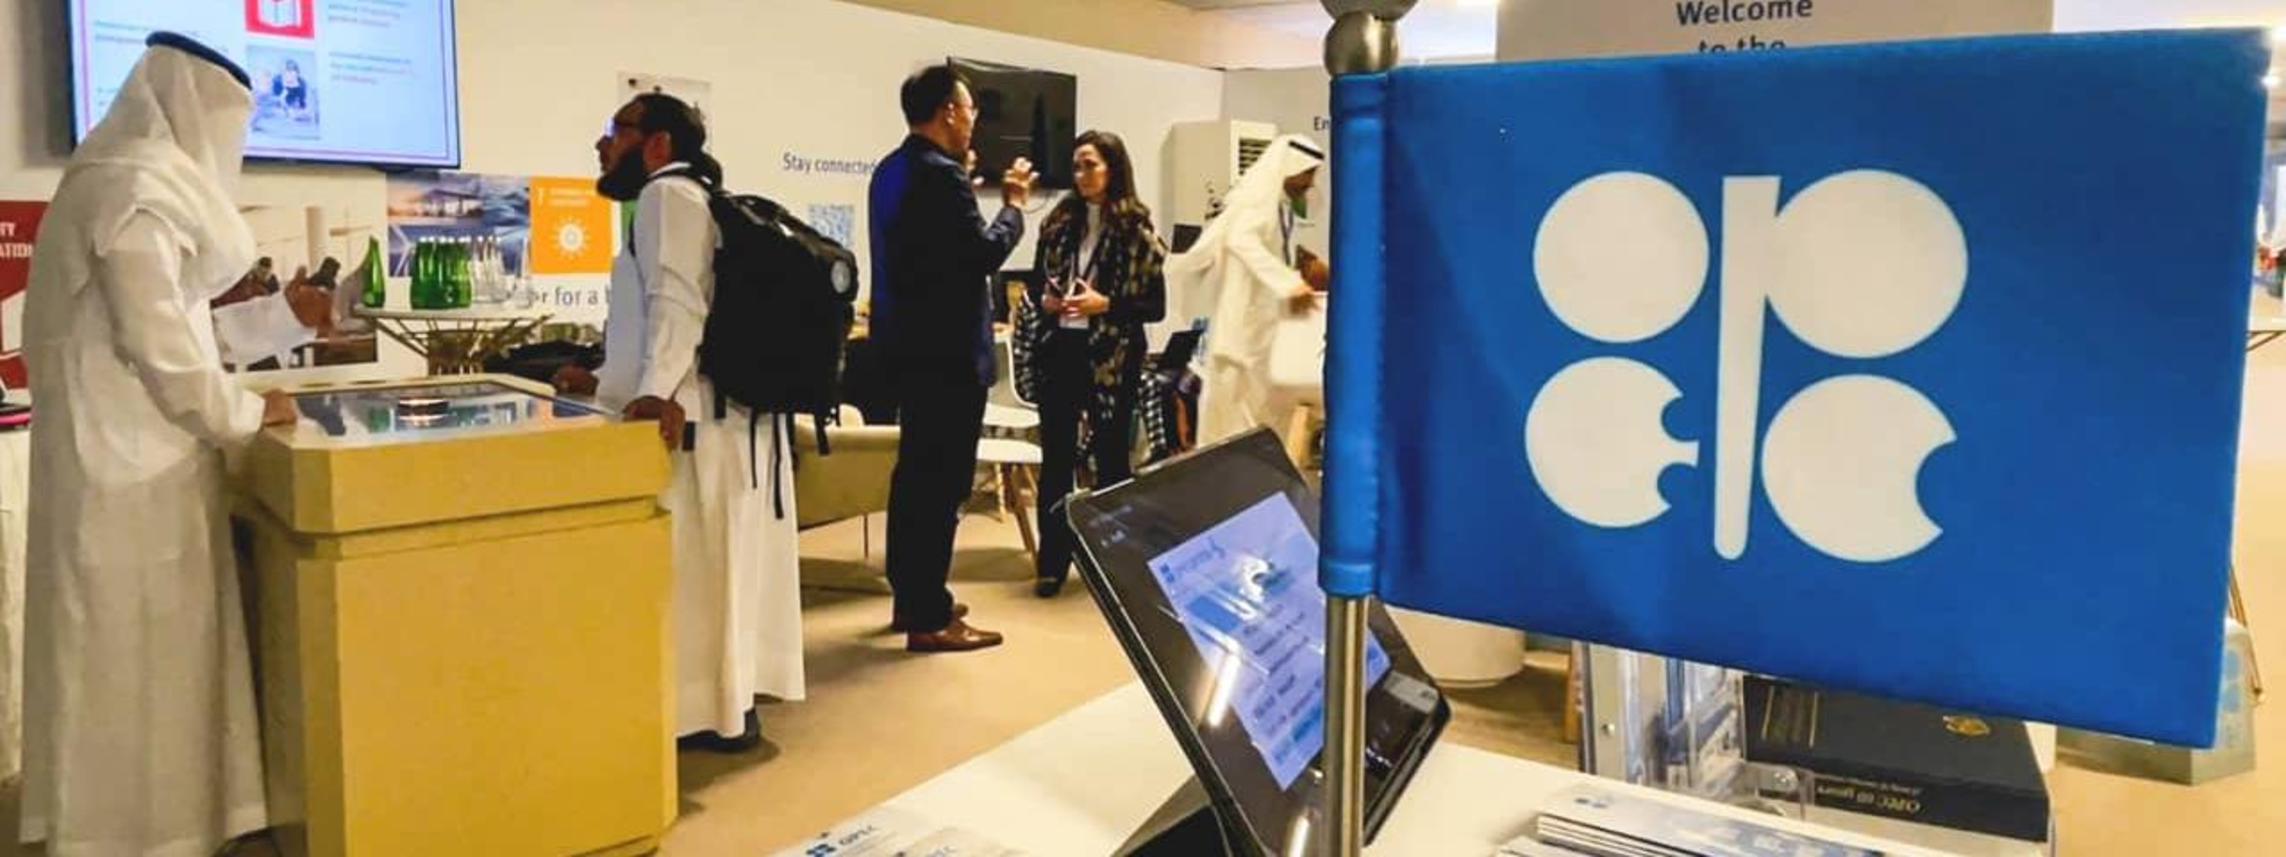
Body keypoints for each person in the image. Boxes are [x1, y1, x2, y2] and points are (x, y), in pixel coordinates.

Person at [18, 32, 297, 857]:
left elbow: (184, 328)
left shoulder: (129, 183)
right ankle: (127, 835)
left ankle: (175, 825)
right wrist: (248, 416)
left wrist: (280, 333)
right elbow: (162, 347)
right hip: (123, 473)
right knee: (129, 662)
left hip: (141, 464)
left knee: (158, 660)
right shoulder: (134, 189)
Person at [554, 92, 804, 749]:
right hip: (718, 417)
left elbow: (677, 301)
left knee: (695, 574)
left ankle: (709, 716)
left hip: (694, 422)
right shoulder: (692, 198)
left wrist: (652, 394)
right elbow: (658, 313)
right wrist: (606, 377)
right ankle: (725, 708)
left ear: (658, 143)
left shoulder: (667, 195)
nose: (603, 145)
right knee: (718, 572)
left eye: (617, 131)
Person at [867, 63, 1036, 652]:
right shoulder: (941, 177)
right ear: (948, 112)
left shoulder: (892, 169)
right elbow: (982, 254)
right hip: (947, 359)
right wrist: (1013, 206)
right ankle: (929, 616)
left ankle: (912, 596)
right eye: (969, 110)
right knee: (940, 488)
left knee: (914, 481)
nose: (973, 120)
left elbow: (925, 257)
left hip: (909, 353)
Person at [1013, 131, 1167, 597]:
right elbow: (1036, 283)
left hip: (1112, 358)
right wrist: (1046, 301)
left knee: (1111, 460)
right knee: (1056, 460)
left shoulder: (1137, 231)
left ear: (1113, 168)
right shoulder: (1058, 223)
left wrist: (1106, 304)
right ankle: (1052, 562)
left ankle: (1114, 562)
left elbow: (1154, 307)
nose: (1081, 175)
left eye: (1091, 165)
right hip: (1060, 349)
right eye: (1077, 166)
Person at [1165, 135, 1326, 445]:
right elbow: (1240, 240)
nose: (1310, 183)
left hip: (1262, 343)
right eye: (1307, 172)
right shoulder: (1258, 206)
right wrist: (1288, 283)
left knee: (1260, 429)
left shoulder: (1280, 210)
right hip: (1239, 345)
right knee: (1233, 432)